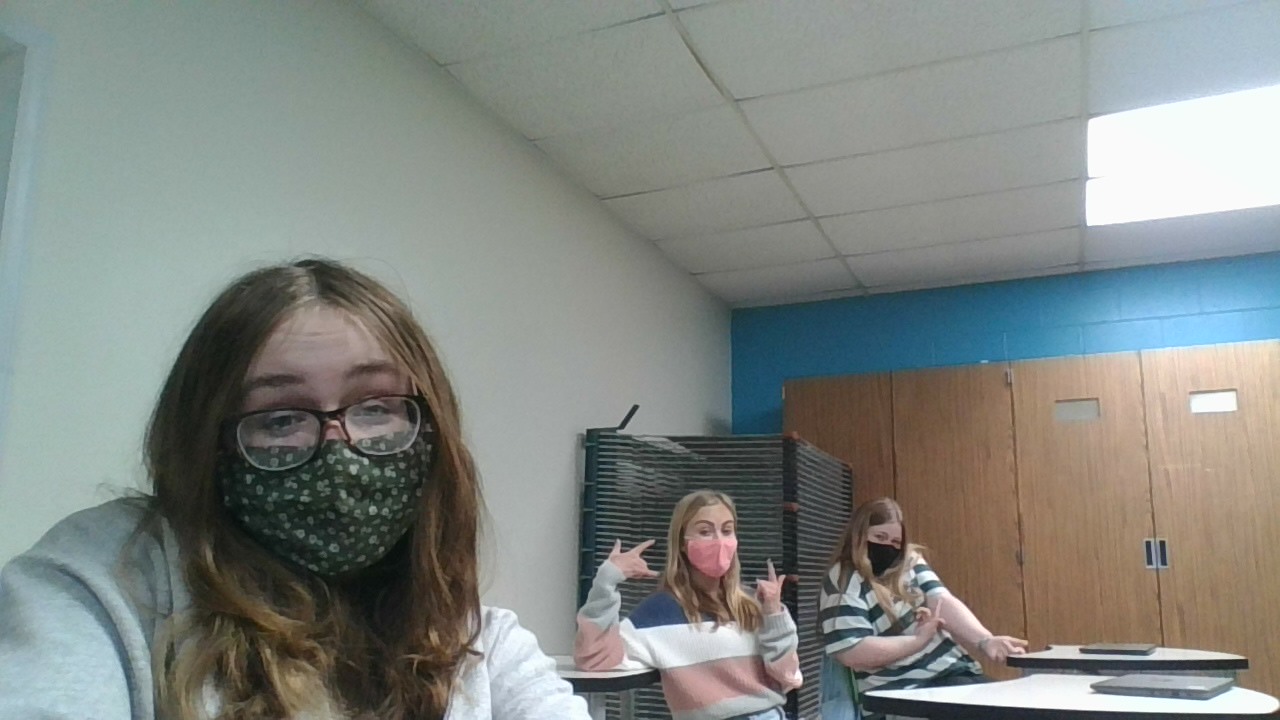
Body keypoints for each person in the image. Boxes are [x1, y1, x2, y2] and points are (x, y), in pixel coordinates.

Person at [0, 258, 590, 720]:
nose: (339, 449)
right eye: (280, 418)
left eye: (376, 406)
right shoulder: (112, 580)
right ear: (210, 440)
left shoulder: (480, 645)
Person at [574, 489, 802, 720]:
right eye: (705, 531)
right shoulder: (658, 613)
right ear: (682, 542)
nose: (719, 541)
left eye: (727, 530)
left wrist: (775, 615)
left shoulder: (753, 603)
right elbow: (594, 659)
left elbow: (788, 676)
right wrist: (606, 581)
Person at [819, 497, 1027, 719]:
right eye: (880, 537)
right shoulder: (843, 579)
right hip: (905, 692)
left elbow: (941, 601)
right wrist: (917, 642)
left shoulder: (908, 561)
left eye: (895, 542)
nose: (888, 547)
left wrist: (985, 640)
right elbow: (852, 652)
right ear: (859, 535)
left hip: (954, 674)